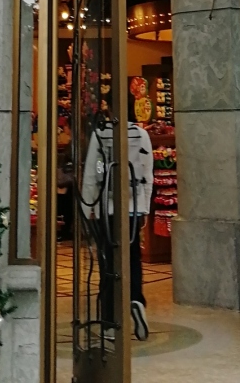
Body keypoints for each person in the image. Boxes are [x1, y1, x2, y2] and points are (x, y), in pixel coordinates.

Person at [81, 121, 153, 341]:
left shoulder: (100, 135)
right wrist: (144, 207)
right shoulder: (141, 135)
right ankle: (136, 300)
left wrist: (87, 208)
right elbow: (147, 174)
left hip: (107, 209)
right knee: (133, 258)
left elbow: (93, 172)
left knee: (108, 263)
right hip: (132, 208)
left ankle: (110, 321)